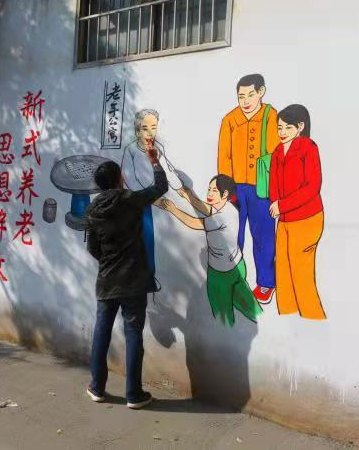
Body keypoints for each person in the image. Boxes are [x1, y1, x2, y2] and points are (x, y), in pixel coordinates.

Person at [85, 150, 168, 410]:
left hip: (107, 281)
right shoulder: (130, 200)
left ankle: (97, 388)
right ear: (118, 179)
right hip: (133, 280)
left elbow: (92, 248)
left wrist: (108, 261)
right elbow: (160, 187)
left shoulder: (92, 209)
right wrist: (154, 161)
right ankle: (134, 394)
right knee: (133, 335)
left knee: (101, 333)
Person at [159, 175, 263, 327]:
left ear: (225, 194)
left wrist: (173, 209)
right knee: (248, 305)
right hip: (238, 266)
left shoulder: (221, 218)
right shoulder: (229, 208)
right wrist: (188, 196)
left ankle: (227, 336)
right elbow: (208, 209)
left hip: (221, 273)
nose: (209, 193)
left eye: (214, 190)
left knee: (223, 317)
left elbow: (194, 222)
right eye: (209, 189)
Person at [217, 74, 280, 304]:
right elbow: (224, 156)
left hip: (262, 187)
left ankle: (266, 282)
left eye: (250, 95)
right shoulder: (230, 119)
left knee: (263, 236)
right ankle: (233, 280)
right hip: (235, 188)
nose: (245, 101)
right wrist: (225, 188)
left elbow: (275, 153)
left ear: (261, 92)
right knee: (233, 235)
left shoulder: (270, 116)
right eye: (241, 96)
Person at [269, 104, 326, 319]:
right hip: (284, 220)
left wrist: (282, 205)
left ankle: (313, 317)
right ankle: (289, 317)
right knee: (283, 272)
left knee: (301, 274)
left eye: (287, 128)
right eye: (279, 128)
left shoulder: (308, 147)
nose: (282, 132)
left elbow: (312, 187)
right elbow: (274, 185)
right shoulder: (277, 151)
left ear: (300, 127)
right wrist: (276, 203)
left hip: (307, 218)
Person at [121, 109, 183, 275]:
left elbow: (167, 170)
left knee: (154, 240)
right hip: (139, 201)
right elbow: (131, 180)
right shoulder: (131, 150)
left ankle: (150, 275)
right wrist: (152, 198)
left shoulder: (158, 148)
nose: (150, 133)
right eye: (145, 128)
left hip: (156, 196)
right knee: (141, 238)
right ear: (137, 131)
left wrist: (180, 188)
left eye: (154, 127)